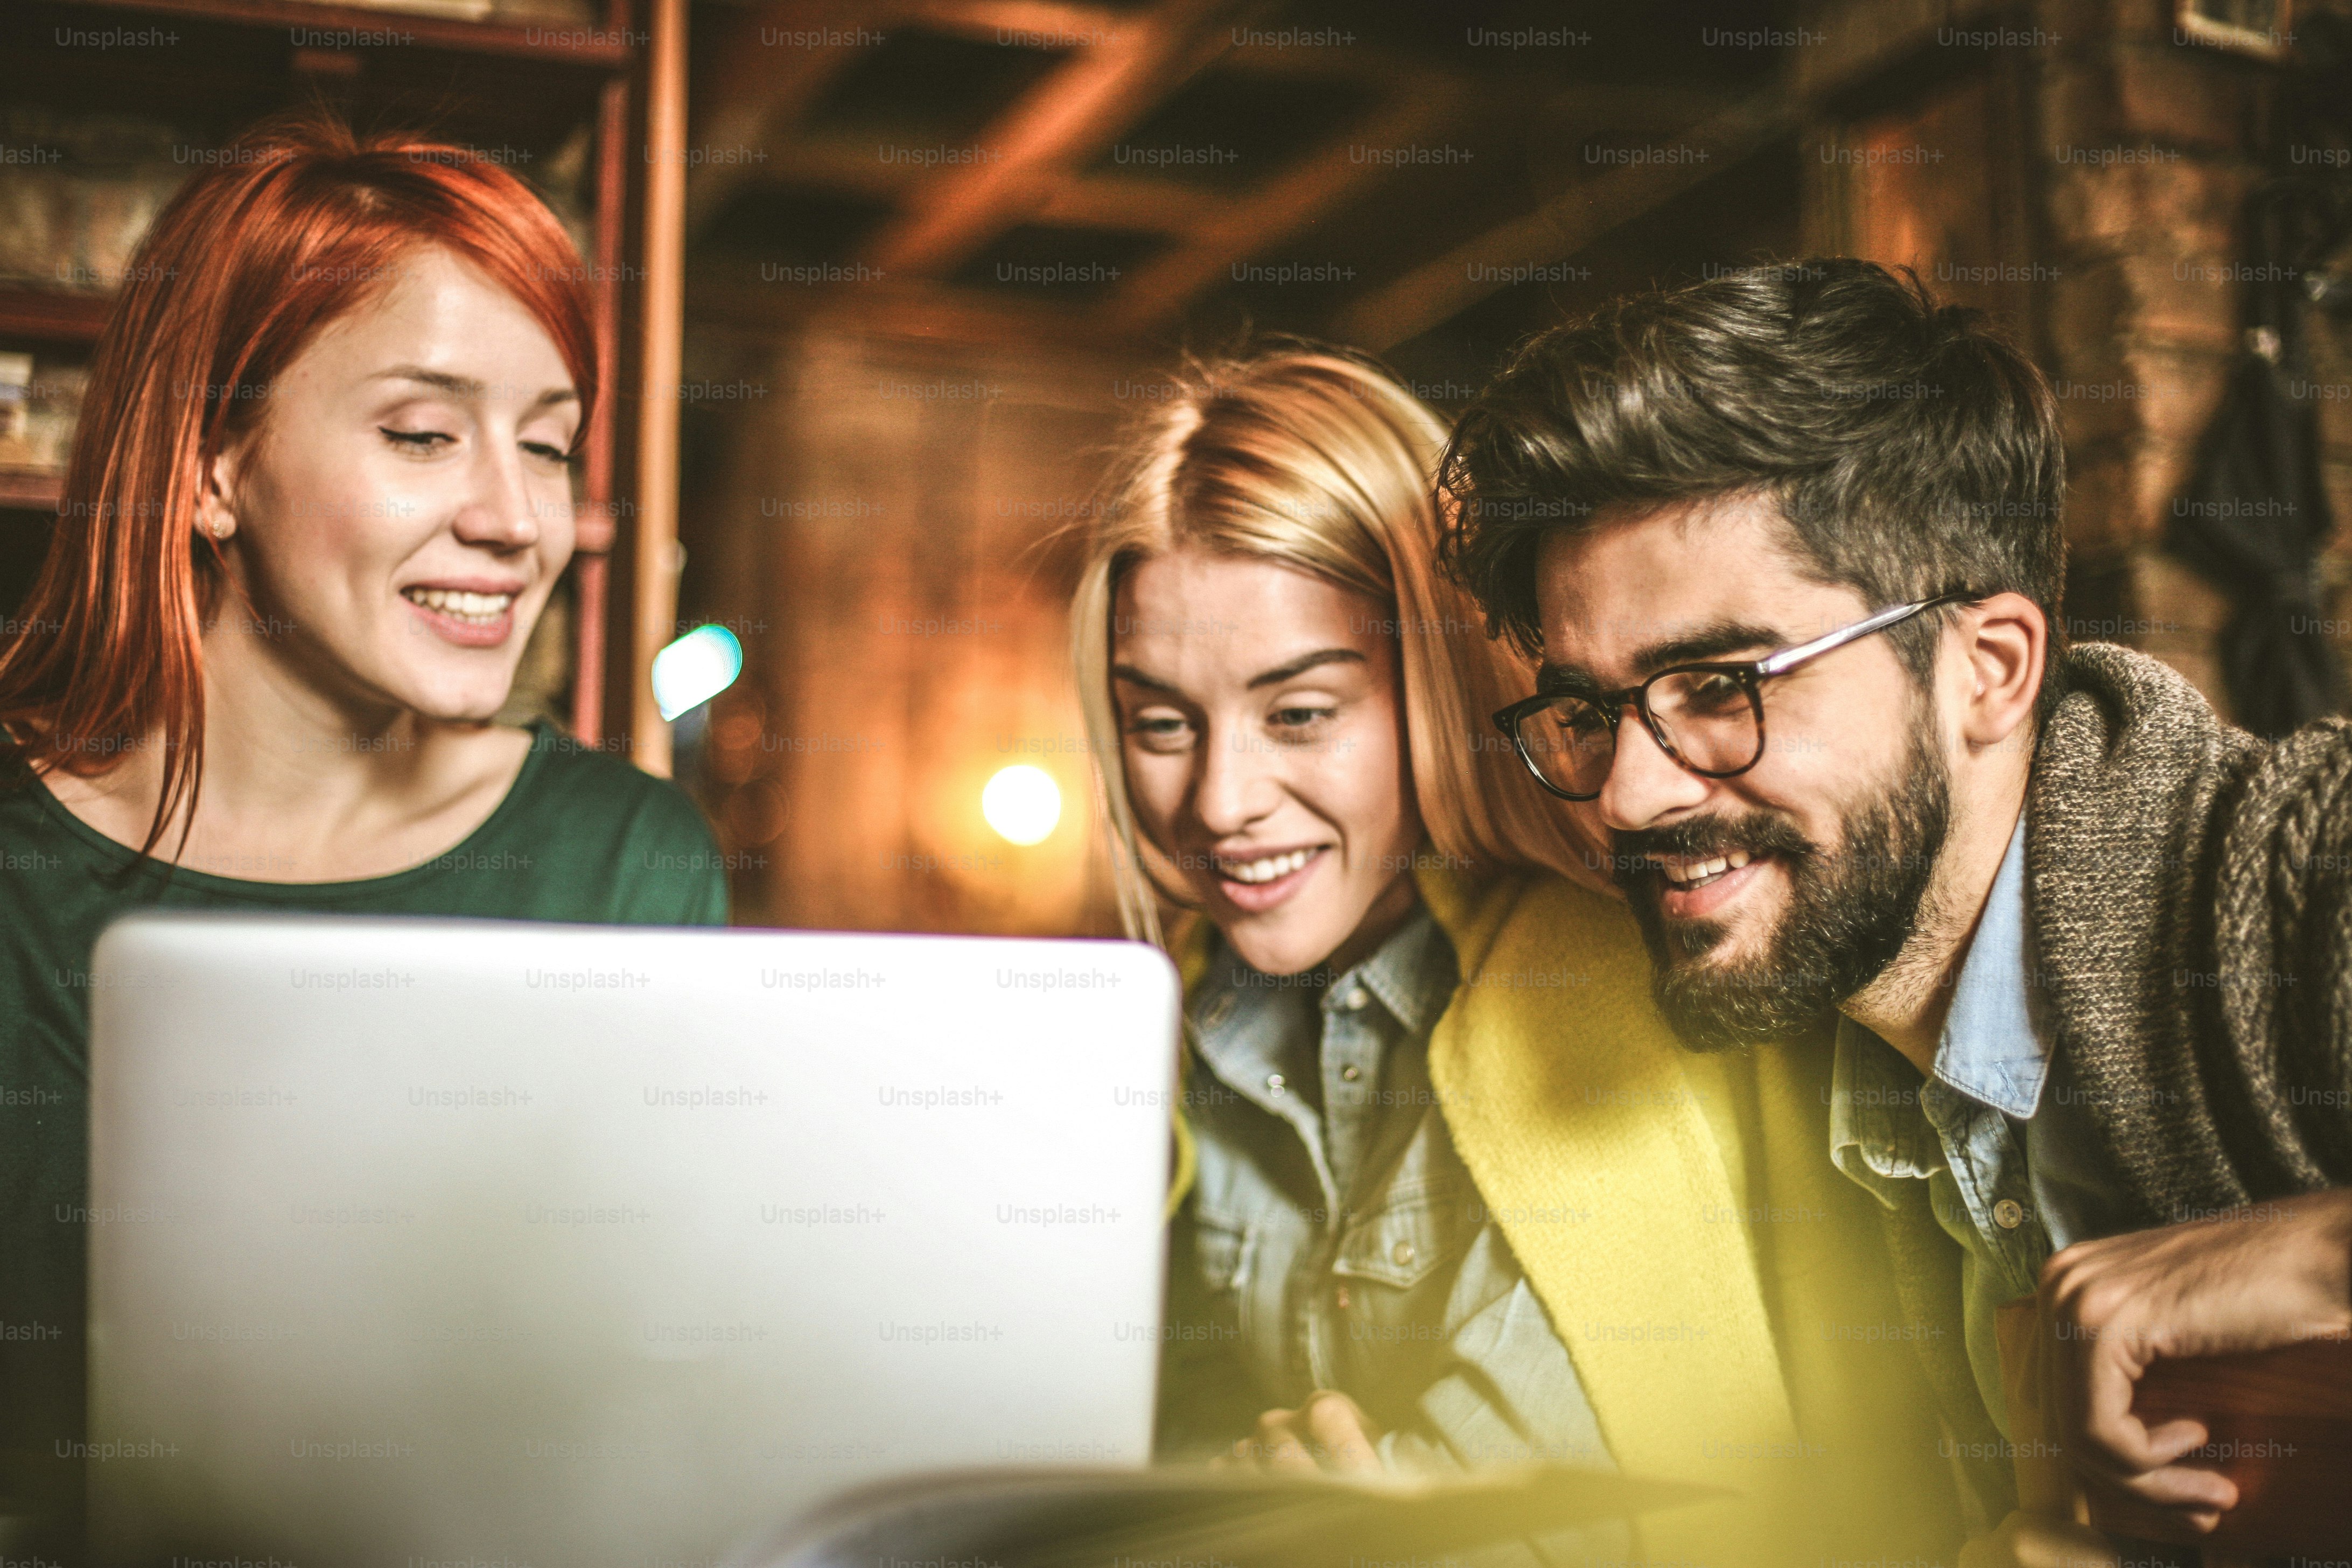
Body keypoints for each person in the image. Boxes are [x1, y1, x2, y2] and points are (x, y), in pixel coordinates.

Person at [1437, 257, 2352, 1563]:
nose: (1627, 798)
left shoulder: (2293, 869)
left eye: (1717, 680)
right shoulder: (1812, 1042)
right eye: (1587, 710)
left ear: (1989, 669)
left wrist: (2325, 1254)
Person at [1070, 347, 1965, 1565]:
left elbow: (1552, 1526)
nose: (1221, 800)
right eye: (1162, 723)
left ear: (1434, 687)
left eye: (1300, 713)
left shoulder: (1614, 974)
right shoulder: (1160, 1013)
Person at [0, 113, 726, 1551]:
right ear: (214, 463)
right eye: (422, 435)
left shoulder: (625, 863)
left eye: (550, 446)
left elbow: (652, 1397)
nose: (519, 519)